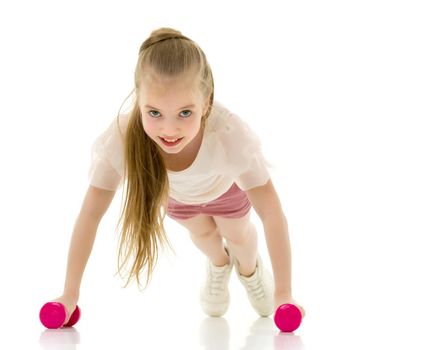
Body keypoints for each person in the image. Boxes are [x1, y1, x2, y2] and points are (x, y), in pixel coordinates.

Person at [51, 27, 305, 321]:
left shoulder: (229, 135)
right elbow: (90, 214)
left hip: (225, 193)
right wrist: (70, 293)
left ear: (205, 103)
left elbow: (272, 211)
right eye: (155, 113)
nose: (169, 131)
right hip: (178, 200)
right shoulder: (121, 137)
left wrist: (284, 293)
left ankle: (250, 273)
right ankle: (219, 265)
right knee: (205, 236)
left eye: (185, 113)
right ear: (139, 101)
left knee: (237, 237)